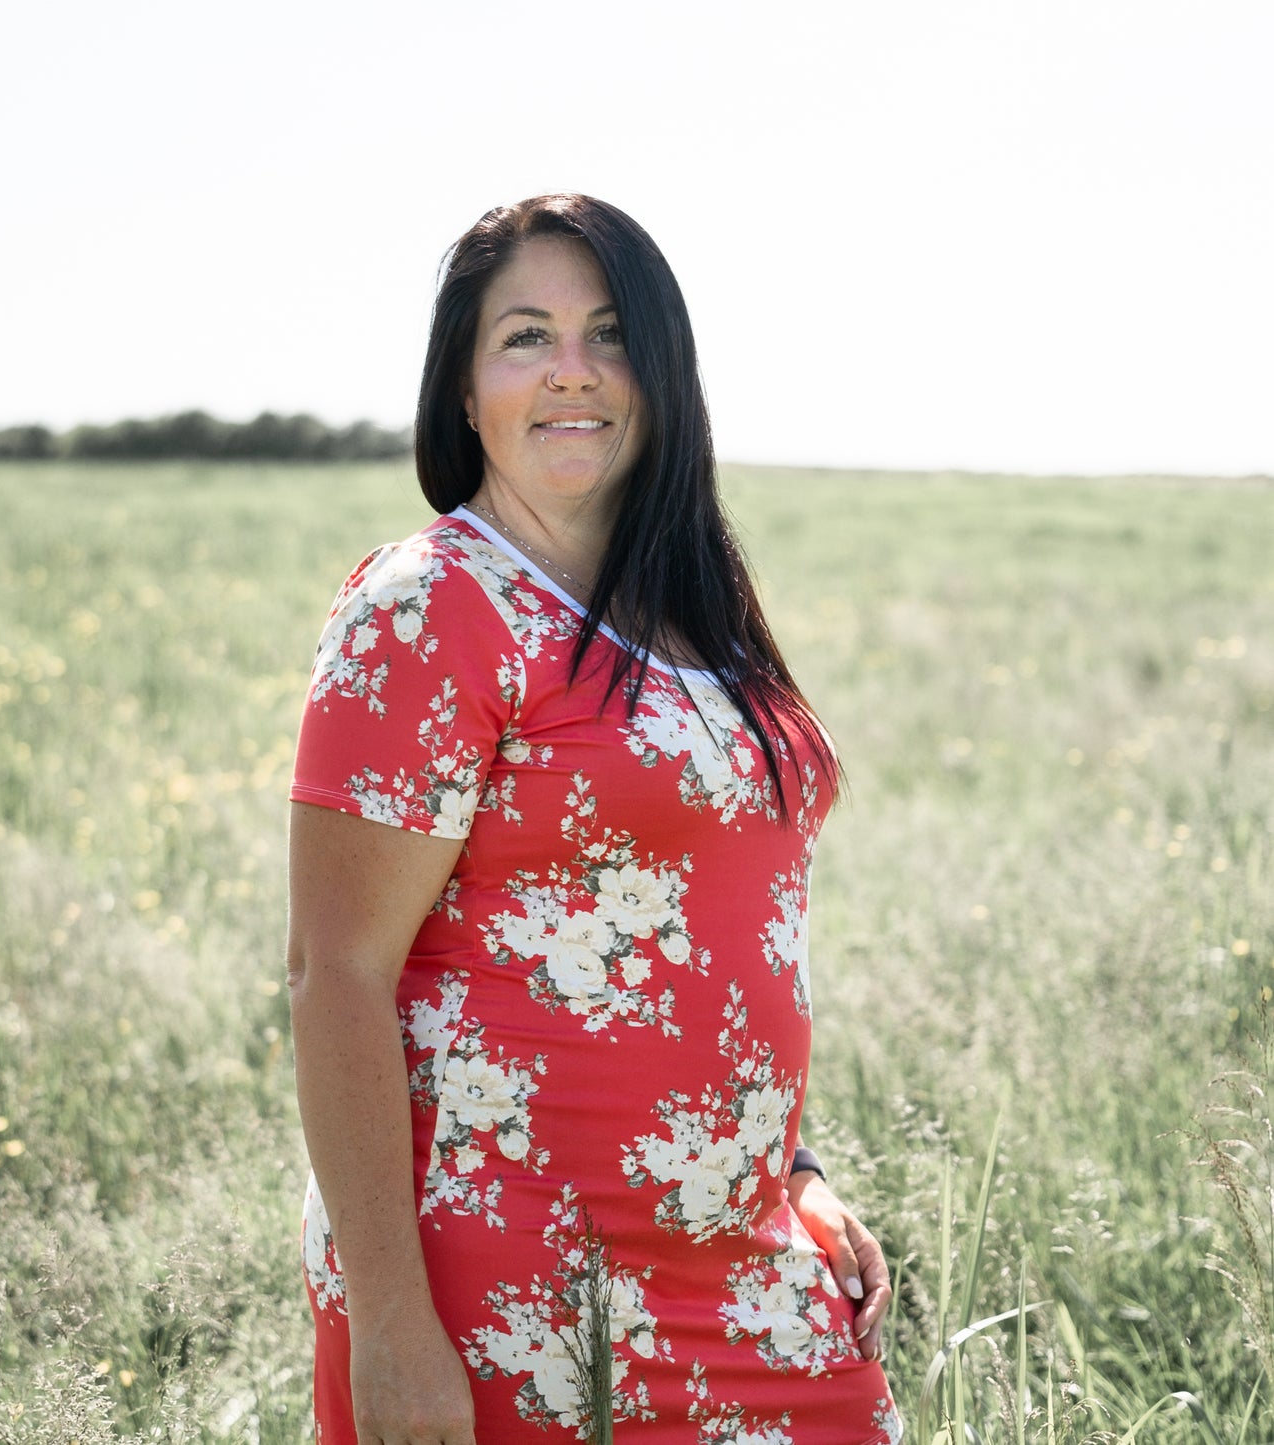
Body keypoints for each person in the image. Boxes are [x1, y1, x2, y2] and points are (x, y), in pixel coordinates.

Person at [286, 193, 902, 1444]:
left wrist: (792, 1167)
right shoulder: (430, 604)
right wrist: (397, 1331)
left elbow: (725, 922)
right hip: (510, 1272)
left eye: (608, 332)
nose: (571, 370)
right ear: (463, 390)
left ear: (660, 373)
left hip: (737, 1244)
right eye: (524, 336)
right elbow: (333, 970)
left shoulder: (698, 610)